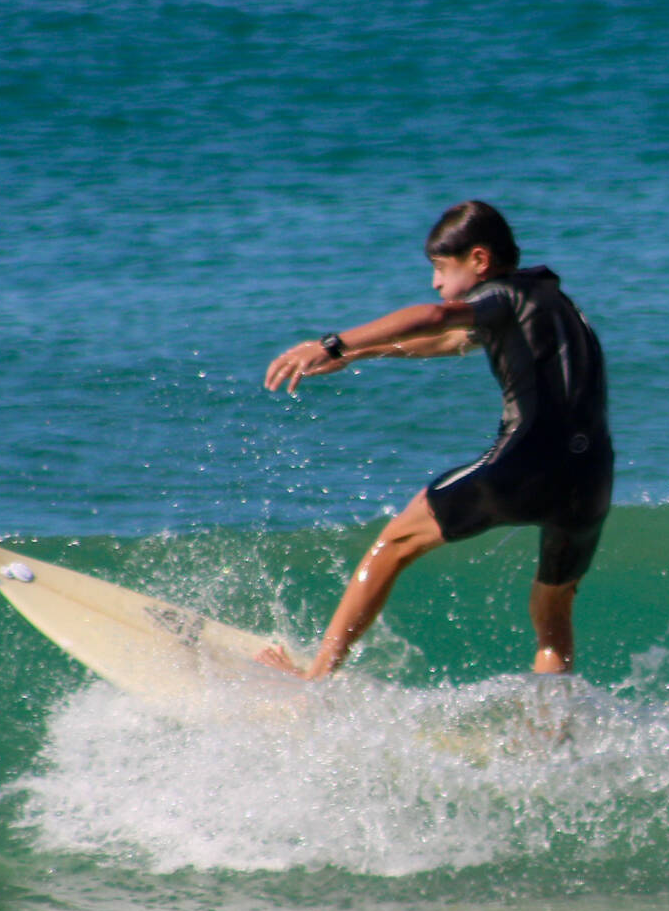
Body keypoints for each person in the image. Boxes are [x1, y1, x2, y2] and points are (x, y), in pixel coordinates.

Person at [260, 200, 611, 679]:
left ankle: (315, 678)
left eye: (441, 269)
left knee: (393, 543)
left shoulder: (501, 295)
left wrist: (332, 343)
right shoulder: (552, 305)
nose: (436, 281)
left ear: (480, 261)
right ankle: (551, 735)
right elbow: (449, 341)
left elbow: (435, 317)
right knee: (551, 615)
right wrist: (364, 355)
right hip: (591, 481)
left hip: (527, 464)